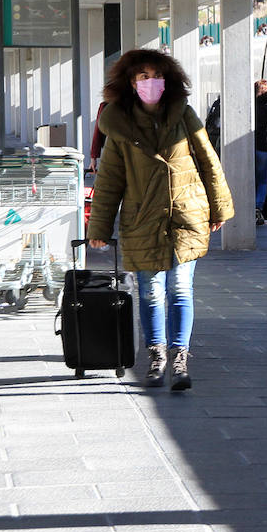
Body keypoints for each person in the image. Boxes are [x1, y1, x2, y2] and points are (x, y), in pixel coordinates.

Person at [87, 49, 233, 391]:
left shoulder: (184, 115)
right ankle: (157, 357)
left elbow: (208, 161)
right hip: (141, 219)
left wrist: (219, 208)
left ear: (168, 81)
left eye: (156, 76)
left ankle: (179, 358)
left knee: (180, 289)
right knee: (151, 292)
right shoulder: (120, 124)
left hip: (185, 215)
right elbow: (109, 179)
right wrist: (100, 227)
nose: (150, 83)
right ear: (130, 83)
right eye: (142, 77)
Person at [254, 80, 267, 225]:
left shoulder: (249, 109)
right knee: (262, 181)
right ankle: (258, 208)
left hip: (247, 148)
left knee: (249, 179)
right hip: (262, 149)